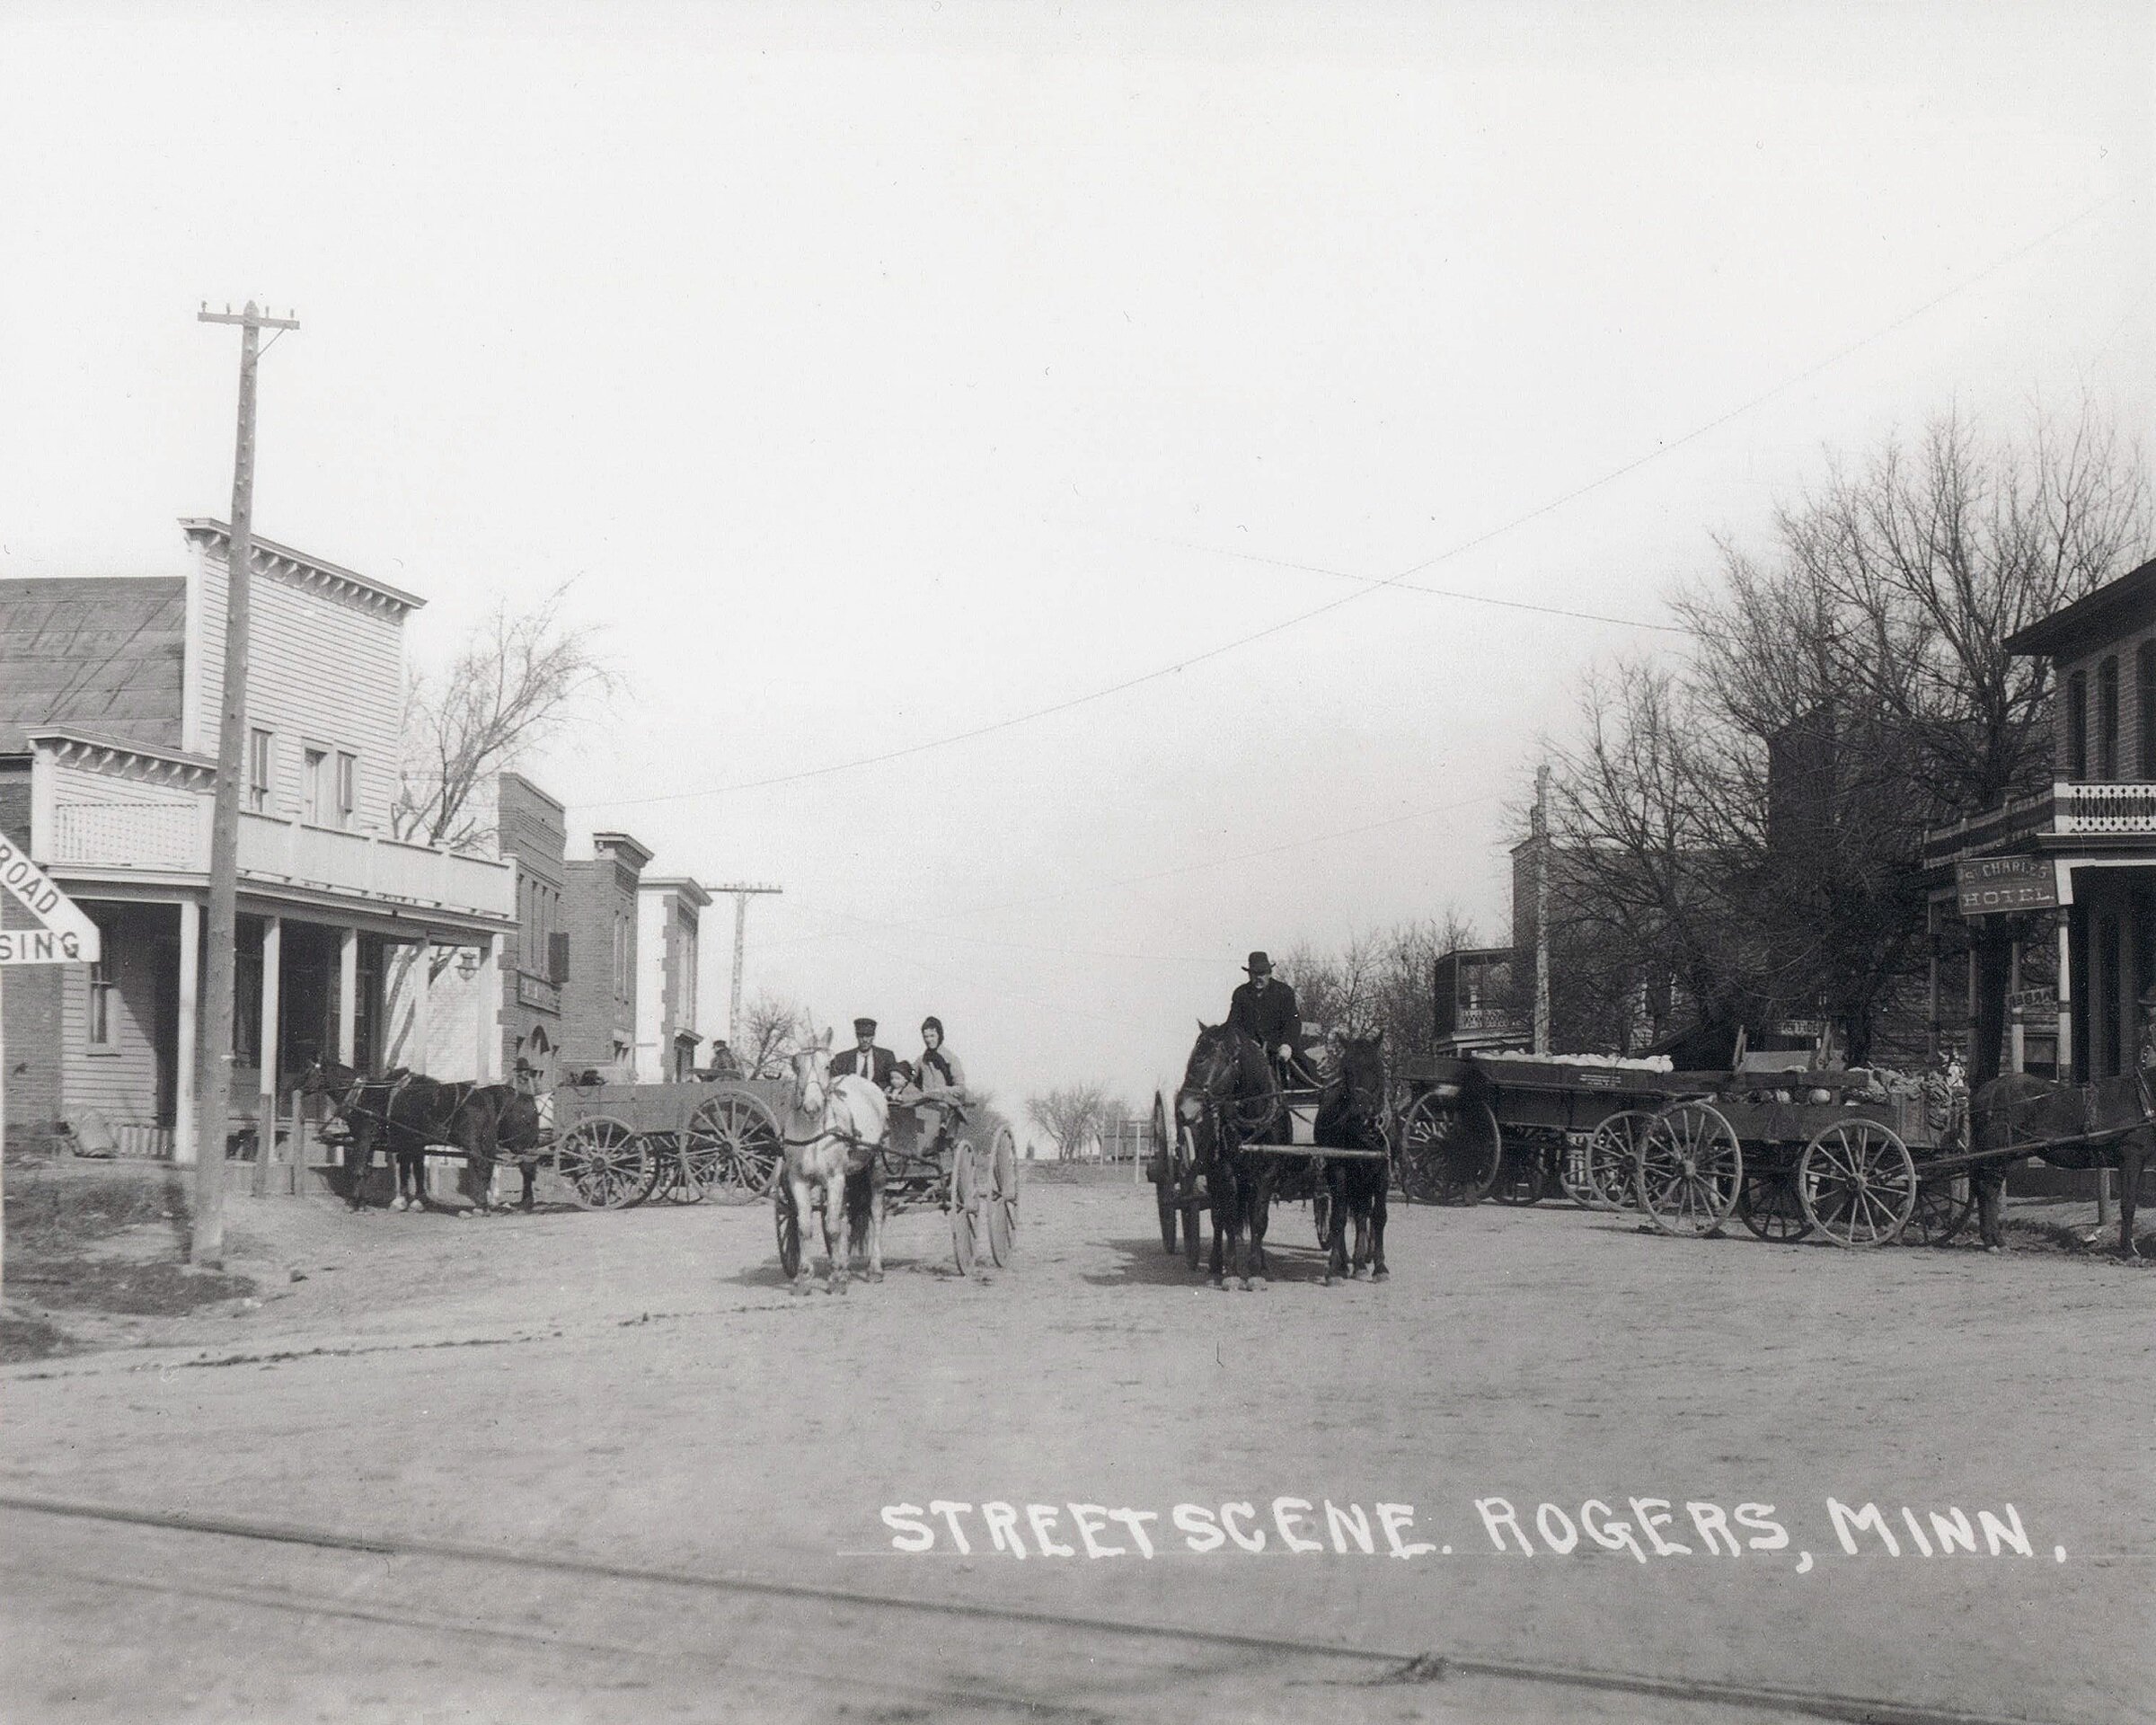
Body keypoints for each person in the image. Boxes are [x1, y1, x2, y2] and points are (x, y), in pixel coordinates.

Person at [1227, 951, 1301, 1073]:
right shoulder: (1241, 993)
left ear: (1269, 974)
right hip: (1247, 1052)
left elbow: (1293, 1021)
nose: (1258, 978)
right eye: (1254, 974)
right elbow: (1233, 1024)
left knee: (1307, 1072)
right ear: (1249, 974)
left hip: (1279, 1049)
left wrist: (1287, 1044)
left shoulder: (1284, 992)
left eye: (1262, 973)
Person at [829, 1018, 899, 1087]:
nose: (865, 1040)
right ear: (856, 1036)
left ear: (873, 1036)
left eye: (868, 1036)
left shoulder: (887, 1057)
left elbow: (897, 1080)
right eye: (861, 1036)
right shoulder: (842, 1059)